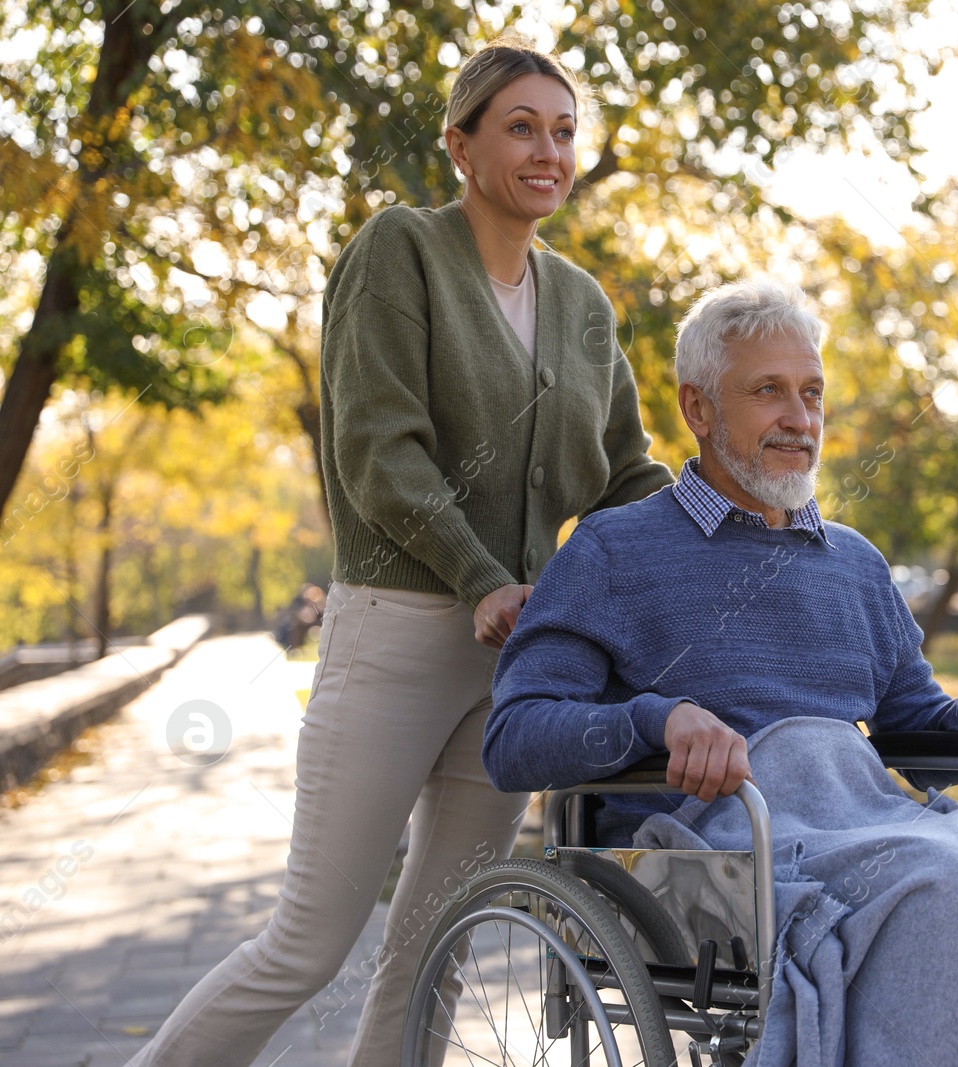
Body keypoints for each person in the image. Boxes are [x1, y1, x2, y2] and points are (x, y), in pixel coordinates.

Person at [126, 36, 674, 1067]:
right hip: (397, 634)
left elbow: (624, 475)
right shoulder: (400, 251)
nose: (547, 149)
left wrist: (722, 520)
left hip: (522, 661)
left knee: (435, 950)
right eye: (520, 127)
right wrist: (479, 577)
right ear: (461, 146)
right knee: (309, 940)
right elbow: (379, 450)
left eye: (562, 130)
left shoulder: (586, 305)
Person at [485, 280, 958, 1066]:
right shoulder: (613, 550)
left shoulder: (851, 560)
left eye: (812, 393)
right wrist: (654, 718)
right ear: (699, 409)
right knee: (936, 882)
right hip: (711, 842)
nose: (800, 418)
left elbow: (911, 719)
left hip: (859, 810)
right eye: (768, 391)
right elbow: (514, 737)